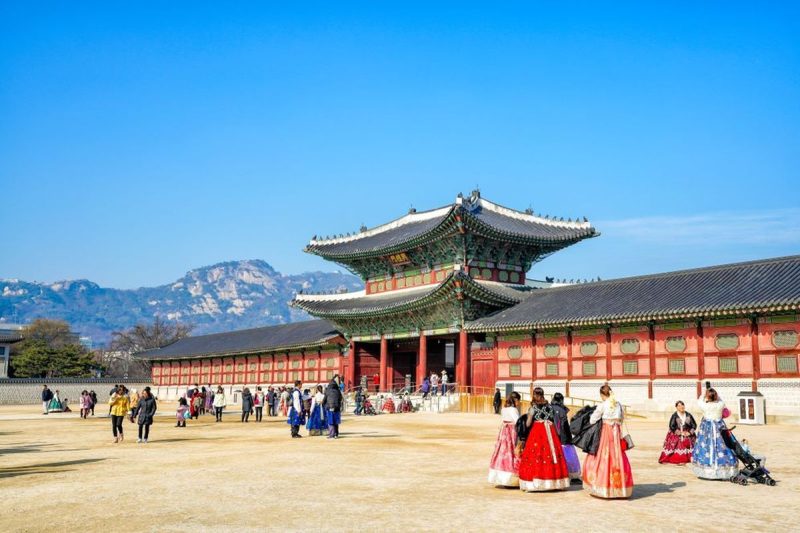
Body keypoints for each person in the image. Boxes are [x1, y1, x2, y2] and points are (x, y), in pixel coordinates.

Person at [582, 384, 634, 499]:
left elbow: (592, 420)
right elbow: (622, 419)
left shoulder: (603, 405)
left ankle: (604, 486)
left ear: (601, 395)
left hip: (606, 434)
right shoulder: (618, 404)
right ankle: (619, 488)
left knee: (604, 457)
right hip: (617, 434)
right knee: (617, 457)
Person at [518, 387, 570, 492]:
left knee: (536, 455)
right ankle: (553, 482)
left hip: (537, 431)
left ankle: (535, 483)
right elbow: (553, 420)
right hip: (549, 431)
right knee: (550, 454)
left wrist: (528, 418)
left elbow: (528, 424)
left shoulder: (533, 408)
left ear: (534, 395)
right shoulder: (549, 407)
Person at [691, 386, 737, 480]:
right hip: (719, 427)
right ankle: (724, 469)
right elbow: (721, 399)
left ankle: (708, 470)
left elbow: (699, 400)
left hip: (706, 429)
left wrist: (704, 394)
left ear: (707, 397)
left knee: (706, 446)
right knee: (723, 445)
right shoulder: (720, 404)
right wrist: (715, 395)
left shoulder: (704, 405)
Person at [488, 391, 522, 487]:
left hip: (504, 432)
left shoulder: (504, 409)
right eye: (518, 400)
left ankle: (501, 478)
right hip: (511, 432)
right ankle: (511, 479)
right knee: (511, 453)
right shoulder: (513, 410)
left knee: (502, 453)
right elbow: (517, 422)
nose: (519, 403)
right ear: (515, 400)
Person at [551, 392, 581, 481]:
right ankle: (572, 474)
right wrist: (568, 438)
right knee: (568, 456)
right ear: (561, 400)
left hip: (552, 436)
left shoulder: (548, 408)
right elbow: (564, 425)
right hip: (563, 437)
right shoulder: (562, 410)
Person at [658, 400, 697, 465]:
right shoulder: (674, 415)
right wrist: (680, 433)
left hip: (688, 433)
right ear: (676, 407)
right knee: (678, 444)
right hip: (676, 433)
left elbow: (694, 425)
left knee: (689, 443)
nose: (681, 407)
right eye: (679, 405)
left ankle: (689, 458)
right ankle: (679, 459)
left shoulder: (688, 415)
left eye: (682, 405)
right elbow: (672, 426)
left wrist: (689, 433)